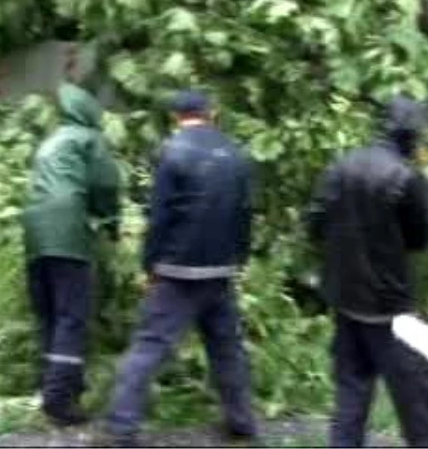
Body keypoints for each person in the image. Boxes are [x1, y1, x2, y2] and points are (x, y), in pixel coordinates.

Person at [103, 90, 258, 447]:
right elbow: (245, 214)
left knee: (149, 346)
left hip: (177, 271)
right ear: (212, 113)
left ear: (177, 116)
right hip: (220, 270)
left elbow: (160, 217)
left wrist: (150, 265)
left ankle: (122, 429)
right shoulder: (236, 155)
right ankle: (242, 423)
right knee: (227, 348)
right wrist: (239, 260)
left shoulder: (171, 152)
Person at [303, 95, 428, 447]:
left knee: (351, 392)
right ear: (411, 136)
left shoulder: (341, 166)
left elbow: (315, 224)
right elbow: (421, 239)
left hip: (345, 299)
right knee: (415, 402)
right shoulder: (408, 179)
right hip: (390, 308)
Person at [21, 82, 122, 427]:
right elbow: (106, 185)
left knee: (49, 315)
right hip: (67, 232)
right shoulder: (87, 139)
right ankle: (60, 402)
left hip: (34, 230)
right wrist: (111, 222)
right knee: (71, 317)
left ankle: (53, 386)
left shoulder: (50, 142)